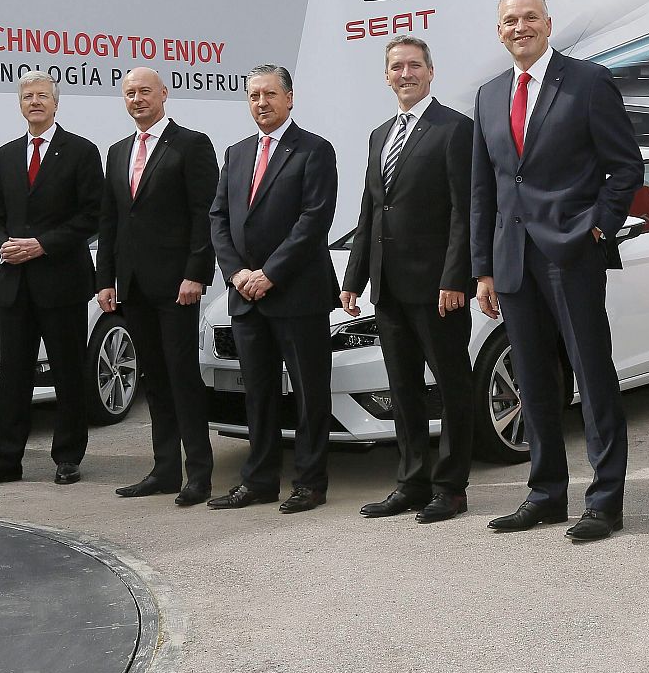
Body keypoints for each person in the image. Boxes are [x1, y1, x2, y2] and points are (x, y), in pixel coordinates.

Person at [470, 0, 644, 541]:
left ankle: (604, 501)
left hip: (572, 254)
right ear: (499, 31)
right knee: (534, 382)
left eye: (529, 18)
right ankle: (545, 493)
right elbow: (485, 189)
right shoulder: (489, 95)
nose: (519, 27)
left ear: (548, 24)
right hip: (514, 260)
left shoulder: (587, 82)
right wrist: (484, 268)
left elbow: (625, 168)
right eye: (508, 20)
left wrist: (597, 228)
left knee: (592, 377)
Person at [342, 37, 477, 524]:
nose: (405, 74)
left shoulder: (455, 129)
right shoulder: (379, 135)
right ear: (386, 76)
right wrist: (354, 277)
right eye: (396, 66)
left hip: (439, 289)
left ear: (431, 71)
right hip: (389, 288)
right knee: (402, 389)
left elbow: (465, 211)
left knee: (451, 385)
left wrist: (454, 276)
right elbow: (371, 209)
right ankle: (412, 481)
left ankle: (451, 487)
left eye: (414, 65)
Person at [206, 64, 340, 513]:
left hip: (297, 295)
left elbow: (313, 221)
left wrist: (270, 273)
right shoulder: (237, 152)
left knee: (308, 394)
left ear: (289, 98)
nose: (261, 103)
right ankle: (259, 480)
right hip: (246, 297)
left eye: (269, 94)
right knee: (258, 394)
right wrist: (237, 274)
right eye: (253, 96)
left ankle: (309, 483)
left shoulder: (314, 150)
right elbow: (219, 218)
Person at [0, 71, 104, 489]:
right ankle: (6, 459)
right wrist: (2, 242)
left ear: (56, 104)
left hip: (62, 282)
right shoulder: (5, 155)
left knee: (68, 373)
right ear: (20, 105)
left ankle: (68, 458)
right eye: (28, 97)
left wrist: (42, 244)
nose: (35, 102)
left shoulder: (80, 151)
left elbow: (92, 216)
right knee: (14, 376)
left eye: (43, 96)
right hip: (14, 285)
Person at [96, 67, 219, 508]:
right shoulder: (116, 151)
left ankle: (199, 474)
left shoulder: (191, 144)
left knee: (183, 377)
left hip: (176, 285)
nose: (137, 99)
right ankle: (164, 470)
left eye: (145, 91)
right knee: (155, 381)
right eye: (130, 93)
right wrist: (105, 280)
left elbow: (204, 213)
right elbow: (110, 221)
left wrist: (196, 273)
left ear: (164, 94)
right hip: (132, 286)